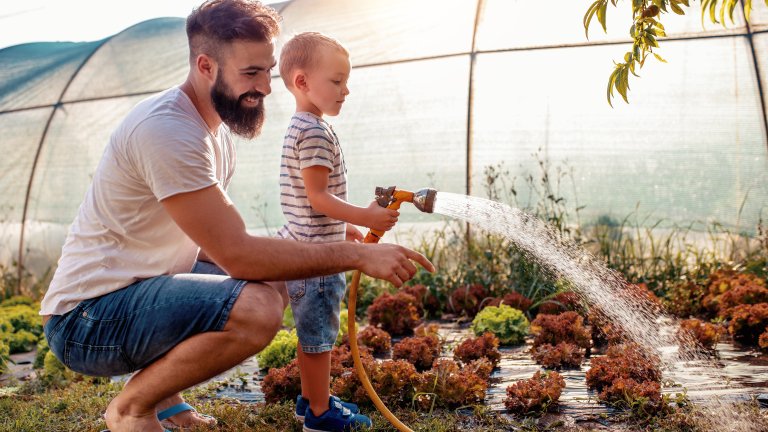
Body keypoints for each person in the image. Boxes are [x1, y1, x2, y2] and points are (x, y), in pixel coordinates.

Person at [37, 2, 433, 432]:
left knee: (272, 279)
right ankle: (131, 408)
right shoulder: (168, 132)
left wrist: (324, 239)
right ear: (206, 65)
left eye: (267, 70)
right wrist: (354, 256)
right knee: (258, 308)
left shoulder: (214, 131)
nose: (265, 86)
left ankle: (167, 403)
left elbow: (216, 241)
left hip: (134, 291)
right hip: (86, 320)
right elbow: (240, 256)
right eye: (250, 73)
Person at [276, 32, 399, 431]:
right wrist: (365, 218)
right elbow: (317, 197)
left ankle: (311, 399)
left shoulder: (304, 126)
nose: (346, 90)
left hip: (307, 248)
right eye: (336, 81)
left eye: (346, 81)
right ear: (302, 82)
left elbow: (311, 204)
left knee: (312, 332)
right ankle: (318, 415)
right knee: (319, 338)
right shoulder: (313, 132)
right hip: (317, 262)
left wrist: (343, 227)